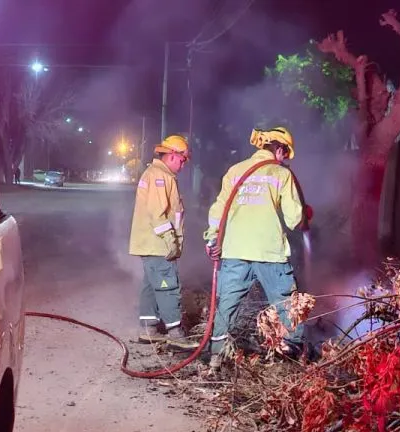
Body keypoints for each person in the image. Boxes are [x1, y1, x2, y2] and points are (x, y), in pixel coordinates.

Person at [203, 127, 312, 370]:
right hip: (268, 252)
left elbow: (218, 210)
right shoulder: (281, 174)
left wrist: (212, 240)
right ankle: (292, 355)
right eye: (286, 154)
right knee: (286, 304)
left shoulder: (235, 171)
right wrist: (306, 214)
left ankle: (216, 357)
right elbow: (295, 219)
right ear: (280, 149)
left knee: (227, 305)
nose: (285, 159)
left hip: (234, 250)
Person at [128, 134, 197, 349]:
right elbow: (158, 214)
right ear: (173, 156)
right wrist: (171, 242)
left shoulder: (156, 174)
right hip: (158, 244)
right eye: (183, 160)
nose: (184, 165)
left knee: (151, 284)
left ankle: (148, 329)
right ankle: (175, 333)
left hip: (149, 243)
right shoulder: (160, 176)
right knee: (168, 285)